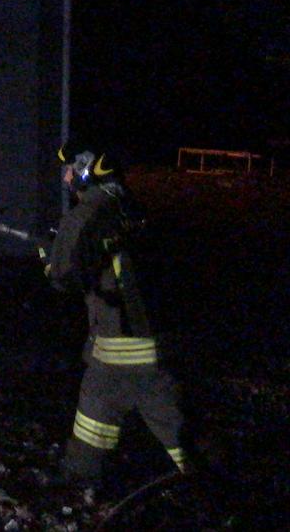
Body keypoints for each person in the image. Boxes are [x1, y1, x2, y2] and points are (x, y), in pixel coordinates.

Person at [42, 140, 188, 492]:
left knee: (99, 411)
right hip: (158, 345)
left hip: (119, 350)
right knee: (173, 429)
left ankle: (78, 482)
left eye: (69, 170)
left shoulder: (84, 214)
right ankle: (214, 482)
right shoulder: (130, 207)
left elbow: (62, 277)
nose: (66, 179)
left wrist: (48, 255)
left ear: (86, 170)